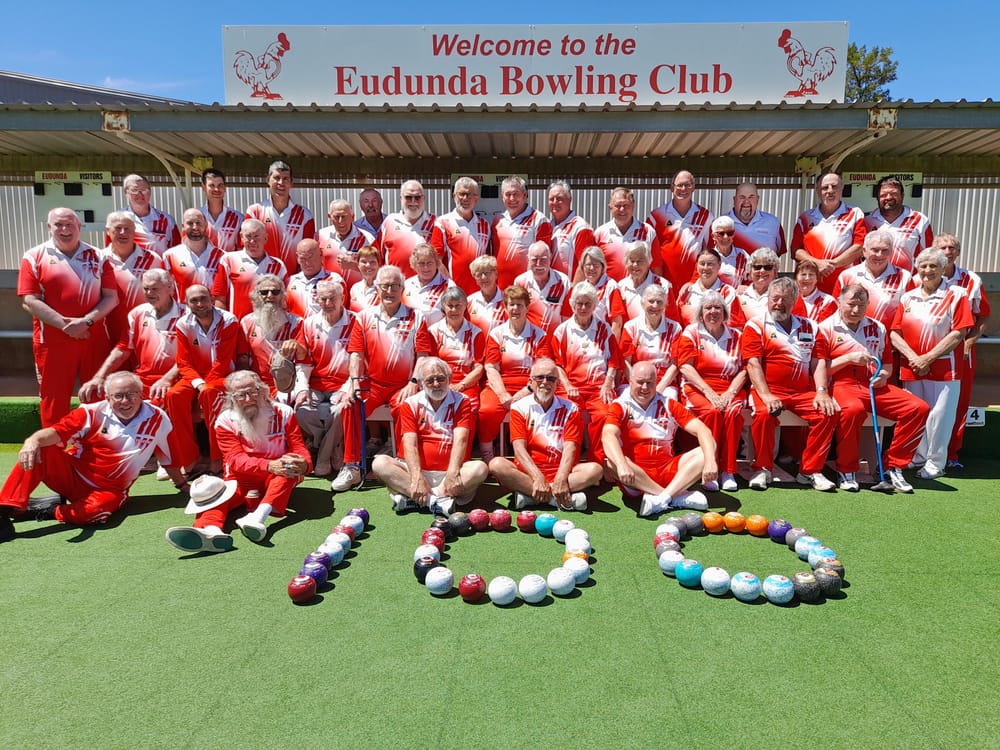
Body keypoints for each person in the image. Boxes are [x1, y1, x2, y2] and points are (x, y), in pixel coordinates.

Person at [0, 372, 180, 542]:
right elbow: (57, 432)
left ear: (141, 395)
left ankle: (50, 510)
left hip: (109, 491)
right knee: (40, 449)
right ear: (108, 398)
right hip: (73, 475)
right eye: (118, 396)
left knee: (95, 514)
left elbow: (168, 457)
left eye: (131, 394)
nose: (125, 401)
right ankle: (4, 510)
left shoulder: (158, 418)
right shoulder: (90, 412)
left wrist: (181, 485)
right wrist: (33, 440)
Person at [165, 370, 311, 551]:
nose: (249, 399)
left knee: (289, 468)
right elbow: (235, 460)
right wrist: (268, 465)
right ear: (232, 398)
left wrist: (304, 463)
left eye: (253, 392)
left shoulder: (284, 412)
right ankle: (210, 531)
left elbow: (298, 446)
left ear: (263, 391)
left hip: (276, 475)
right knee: (215, 495)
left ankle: (258, 518)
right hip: (240, 478)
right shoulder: (225, 421)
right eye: (241, 395)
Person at [332, 265, 435, 492]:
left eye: (394, 286)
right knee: (351, 404)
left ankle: (400, 465)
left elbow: (423, 357)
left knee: (405, 407)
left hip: (404, 384)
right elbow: (356, 355)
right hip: (375, 384)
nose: (389, 290)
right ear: (377, 288)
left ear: (402, 288)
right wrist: (354, 382)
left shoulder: (416, 316)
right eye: (385, 286)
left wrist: (413, 383)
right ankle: (352, 466)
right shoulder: (364, 317)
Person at [823, 284, 929, 493]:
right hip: (842, 383)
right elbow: (820, 369)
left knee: (918, 408)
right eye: (851, 304)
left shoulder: (877, 327)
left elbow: (887, 364)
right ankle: (846, 469)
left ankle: (893, 466)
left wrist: (884, 375)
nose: (855, 310)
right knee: (853, 410)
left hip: (873, 384)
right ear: (839, 302)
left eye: (861, 305)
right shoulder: (826, 327)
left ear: (868, 305)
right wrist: (848, 358)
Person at [19, 207, 118, 426]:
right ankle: (55, 458)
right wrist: (65, 325)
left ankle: (93, 453)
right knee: (54, 401)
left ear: (79, 227)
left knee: (96, 397)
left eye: (70, 224)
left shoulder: (99, 256)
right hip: (52, 342)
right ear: (49, 227)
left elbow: (111, 297)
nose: (64, 229)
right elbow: (29, 299)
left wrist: (85, 322)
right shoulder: (34, 256)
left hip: (93, 340)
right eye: (58, 225)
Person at [743, 278, 839, 491]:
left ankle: (810, 471)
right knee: (764, 414)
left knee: (828, 413)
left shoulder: (811, 326)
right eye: (775, 298)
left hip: (801, 392)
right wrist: (767, 396)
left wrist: (822, 392)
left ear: (795, 301)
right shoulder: (756, 325)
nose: (779, 303)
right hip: (767, 390)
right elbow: (753, 364)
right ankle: (762, 468)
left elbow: (819, 362)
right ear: (767, 300)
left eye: (785, 299)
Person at [890, 247, 974, 479]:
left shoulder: (957, 294)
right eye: (923, 266)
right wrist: (914, 358)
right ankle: (917, 457)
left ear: (943, 268)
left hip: (945, 368)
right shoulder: (908, 297)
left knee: (940, 416)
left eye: (933, 266)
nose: (927, 270)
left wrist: (928, 358)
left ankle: (935, 463)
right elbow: (895, 333)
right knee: (917, 413)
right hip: (913, 367)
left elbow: (959, 332)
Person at [372, 357, 489, 515]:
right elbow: (409, 444)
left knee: (480, 468)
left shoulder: (462, 402)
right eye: (430, 380)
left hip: (449, 473)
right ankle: (436, 501)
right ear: (420, 383)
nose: (436, 384)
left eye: (440, 378)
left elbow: (461, 439)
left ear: (449, 379)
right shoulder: (410, 404)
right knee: (380, 463)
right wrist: (416, 477)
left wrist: (453, 472)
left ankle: (415, 499)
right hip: (416, 471)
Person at [603, 361, 715, 516]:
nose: (645, 388)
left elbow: (703, 431)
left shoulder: (668, 404)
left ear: (656, 383)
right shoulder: (620, 405)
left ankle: (662, 498)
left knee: (707, 449)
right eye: (640, 382)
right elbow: (608, 435)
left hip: (667, 471)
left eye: (650, 383)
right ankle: (674, 497)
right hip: (635, 476)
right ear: (630, 382)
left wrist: (710, 462)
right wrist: (622, 465)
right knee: (611, 462)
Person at [489, 358, 602, 511]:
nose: (544, 382)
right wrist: (537, 478)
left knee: (595, 470)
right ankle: (557, 499)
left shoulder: (571, 408)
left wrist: (561, 479)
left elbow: (571, 448)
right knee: (497, 465)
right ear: (530, 381)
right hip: (529, 473)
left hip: (563, 472)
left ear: (558, 384)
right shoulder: (519, 407)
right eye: (539, 377)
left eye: (550, 378)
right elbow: (519, 449)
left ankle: (532, 497)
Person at [676, 291, 748, 493]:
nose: (713, 312)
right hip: (698, 386)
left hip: (730, 387)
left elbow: (745, 369)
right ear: (701, 312)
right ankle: (710, 468)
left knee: (733, 413)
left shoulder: (737, 335)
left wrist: (730, 393)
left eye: (718, 308)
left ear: (724, 312)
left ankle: (729, 470)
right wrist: (710, 393)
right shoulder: (691, 332)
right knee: (712, 413)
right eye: (708, 308)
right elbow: (686, 368)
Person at [166, 284, 240, 475]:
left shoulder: (228, 320)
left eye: (203, 298)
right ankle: (189, 458)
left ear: (211, 299)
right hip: (195, 378)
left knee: (209, 393)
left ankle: (217, 457)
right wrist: (198, 383)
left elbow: (224, 361)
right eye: (194, 300)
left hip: (223, 376)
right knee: (174, 395)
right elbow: (183, 362)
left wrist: (204, 386)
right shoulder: (183, 324)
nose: (200, 304)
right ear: (186, 303)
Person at [79, 269, 183, 405]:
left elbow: (188, 357)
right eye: (146, 288)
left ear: (170, 287)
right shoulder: (137, 313)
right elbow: (122, 350)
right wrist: (99, 378)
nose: (149, 293)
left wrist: (166, 379)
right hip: (142, 379)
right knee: (94, 396)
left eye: (155, 289)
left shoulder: (186, 316)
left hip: (175, 378)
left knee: (161, 402)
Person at [551, 281, 624, 464]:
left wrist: (607, 384)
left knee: (604, 414)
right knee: (569, 413)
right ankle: (570, 463)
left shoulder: (604, 329)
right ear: (573, 304)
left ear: (594, 305)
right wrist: (568, 385)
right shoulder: (562, 330)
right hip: (571, 387)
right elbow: (557, 365)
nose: (583, 308)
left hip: (598, 388)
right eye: (579, 303)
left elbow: (614, 361)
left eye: (587, 304)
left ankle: (597, 464)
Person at [479, 285, 553, 462]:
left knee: (540, 407)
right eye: (511, 304)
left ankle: (537, 453)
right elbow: (491, 367)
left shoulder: (539, 334)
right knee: (487, 410)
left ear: (527, 307)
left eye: (520, 305)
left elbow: (544, 369)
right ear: (505, 307)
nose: (515, 309)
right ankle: (487, 449)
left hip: (532, 385)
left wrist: (525, 391)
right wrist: (502, 394)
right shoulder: (497, 334)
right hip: (501, 385)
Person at [293, 280, 358, 476]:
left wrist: (347, 389)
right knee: (301, 411)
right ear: (317, 300)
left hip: (344, 385)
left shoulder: (356, 322)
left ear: (342, 299)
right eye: (323, 299)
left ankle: (322, 458)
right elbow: (303, 362)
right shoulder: (309, 323)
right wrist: (302, 389)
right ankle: (334, 448)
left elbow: (361, 362)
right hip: (316, 385)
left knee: (342, 411)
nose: (328, 303)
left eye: (332, 298)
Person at [938, 233, 992, 468]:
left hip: (962, 352)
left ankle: (951, 454)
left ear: (958, 252)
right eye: (943, 247)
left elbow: (983, 316)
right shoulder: (922, 275)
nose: (948, 251)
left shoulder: (971, 280)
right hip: (928, 349)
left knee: (957, 403)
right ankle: (918, 454)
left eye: (952, 247)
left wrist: (970, 341)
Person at [791, 172, 866, 294]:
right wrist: (818, 264)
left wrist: (832, 265)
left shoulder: (855, 213)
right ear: (817, 190)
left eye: (834, 186)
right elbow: (796, 250)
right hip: (811, 285)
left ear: (842, 188)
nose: (830, 191)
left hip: (845, 284)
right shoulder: (805, 217)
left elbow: (860, 247)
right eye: (825, 187)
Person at [102, 211, 165, 353]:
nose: (123, 233)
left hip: (143, 330)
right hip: (109, 332)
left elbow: (163, 296)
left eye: (127, 229)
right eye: (117, 228)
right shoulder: (99, 259)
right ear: (108, 231)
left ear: (134, 231)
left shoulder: (152, 259)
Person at [244, 160, 316, 276]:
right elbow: (244, 246)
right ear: (268, 180)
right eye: (276, 178)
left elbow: (309, 251)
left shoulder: (304, 215)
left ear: (291, 183)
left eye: (286, 179)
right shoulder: (255, 212)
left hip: (292, 279)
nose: (281, 183)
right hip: (261, 279)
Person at [832, 229, 915, 329]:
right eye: (875, 250)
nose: (879, 255)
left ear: (891, 252)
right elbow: (835, 310)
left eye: (885, 250)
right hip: (852, 339)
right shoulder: (847, 276)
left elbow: (910, 314)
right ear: (864, 251)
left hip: (887, 341)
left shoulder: (904, 277)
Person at [238, 275, 303, 398]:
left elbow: (302, 359)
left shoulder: (296, 322)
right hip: (257, 385)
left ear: (282, 295)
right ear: (256, 296)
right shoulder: (246, 322)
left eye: (275, 292)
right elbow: (243, 360)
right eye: (264, 292)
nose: (270, 295)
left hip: (288, 384)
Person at [212, 218, 287, 321]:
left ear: (265, 238)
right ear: (242, 238)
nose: (252, 241)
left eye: (256, 237)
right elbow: (219, 298)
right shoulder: (229, 260)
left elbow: (285, 299)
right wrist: (223, 325)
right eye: (248, 237)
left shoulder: (278, 265)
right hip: (239, 327)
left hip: (270, 327)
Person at [648, 170, 714, 286]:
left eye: (688, 185)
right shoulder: (656, 215)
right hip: (662, 284)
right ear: (672, 188)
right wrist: (656, 280)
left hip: (694, 285)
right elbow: (648, 250)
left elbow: (710, 251)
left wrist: (695, 281)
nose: (683, 189)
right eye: (679, 185)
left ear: (693, 188)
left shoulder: (706, 216)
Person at [428, 287, 485, 414]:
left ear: (465, 306)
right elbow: (430, 364)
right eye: (450, 306)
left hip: (466, 385)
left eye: (458, 305)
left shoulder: (476, 333)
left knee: (468, 408)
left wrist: (461, 385)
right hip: (438, 383)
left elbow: (479, 368)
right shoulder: (433, 331)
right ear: (443, 307)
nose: (454, 310)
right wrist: (443, 385)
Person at [430, 176, 491, 295]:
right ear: (454, 196)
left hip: (479, 293)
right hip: (453, 292)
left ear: (476, 198)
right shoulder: (443, 222)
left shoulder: (484, 225)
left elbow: (487, 260)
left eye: (470, 195)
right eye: (461, 194)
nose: (465, 198)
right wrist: (448, 286)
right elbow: (436, 258)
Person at [620, 284, 682, 396]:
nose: (655, 306)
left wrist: (658, 389)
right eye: (651, 301)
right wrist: (637, 385)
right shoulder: (630, 327)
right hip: (635, 381)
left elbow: (675, 364)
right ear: (642, 304)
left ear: (665, 305)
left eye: (659, 302)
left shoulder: (675, 328)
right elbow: (625, 361)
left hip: (664, 383)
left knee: (669, 403)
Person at [863, 175, 934, 273]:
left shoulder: (920, 220)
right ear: (877, 198)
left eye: (893, 193)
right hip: (873, 282)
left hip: (907, 284)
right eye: (883, 195)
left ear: (902, 196)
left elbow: (929, 254)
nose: (888, 197)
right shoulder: (867, 221)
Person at [492, 175, 553, 289]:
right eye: (508, 194)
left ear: (524, 195)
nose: (512, 199)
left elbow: (545, 258)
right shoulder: (497, 220)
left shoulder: (539, 219)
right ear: (502, 197)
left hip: (527, 287)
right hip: (500, 286)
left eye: (516, 194)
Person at [593, 186, 659, 282]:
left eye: (626, 205)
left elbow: (656, 267)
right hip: (610, 293)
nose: (622, 209)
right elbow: (593, 267)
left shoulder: (648, 231)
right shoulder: (600, 233)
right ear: (610, 207)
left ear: (633, 206)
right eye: (618, 206)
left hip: (640, 293)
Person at [163, 208, 225, 305]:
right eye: (190, 223)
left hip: (213, 316)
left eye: (198, 223)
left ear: (205, 225)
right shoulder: (170, 256)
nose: (195, 227)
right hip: (183, 316)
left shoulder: (222, 257)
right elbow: (166, 291)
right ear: (183, 226)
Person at [375, 180, 436, 275]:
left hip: (426, 287)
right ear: (401, 198)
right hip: (394, 286)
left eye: (417, 197)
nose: (413, 202)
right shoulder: (389, 221)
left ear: (423, 198)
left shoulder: (435, 223)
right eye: (408, 197)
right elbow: (378, 256)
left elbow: (442, 259)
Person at [675, 248, 745, 328]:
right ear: (696, 265)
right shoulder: (686, 292)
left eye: (710, 264)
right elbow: (677, 325)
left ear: (719, 266)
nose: (705, 268)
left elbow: (736, 327)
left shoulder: (728, 292)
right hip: (690, 339)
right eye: (702, 263)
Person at [113, 174, 180, 255]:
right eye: (135, 190)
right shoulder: (116, 221)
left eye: (144, 190)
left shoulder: (167, 220)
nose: (140, 195)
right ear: (126, 193)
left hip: (159, 267)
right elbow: (111, 254)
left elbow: (177, 252)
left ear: (150, 192)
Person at [514, 240, 571, 334]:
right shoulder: (520, 282)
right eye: (534, 259)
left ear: (550, 258)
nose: (538, 264)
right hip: (529, 340)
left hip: (554, 340)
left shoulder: (563, 281)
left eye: (543, 259)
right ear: (528, 259)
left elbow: (567, 317)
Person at [317, 199, 374, 289]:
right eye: (336, 217)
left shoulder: (367, 239)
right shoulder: (320, 236)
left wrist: (354, 265)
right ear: (329, 217)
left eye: (344, 217)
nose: (340, 221)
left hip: (358, 294)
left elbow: (378, 269)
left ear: (352, 217)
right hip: (329, 296)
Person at [617, 241, 678, 323]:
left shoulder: (663, 285)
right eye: (632, 260)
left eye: (640, 261)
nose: (635, 265)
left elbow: (672, 320)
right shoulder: (621, 286)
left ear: (649, 262)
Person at [286, 238, 346, 319]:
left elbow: (340, 312)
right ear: (297, 257)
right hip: (297, 330)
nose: (307, 263)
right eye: (303, 258)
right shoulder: (290, 282)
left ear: (321, 254)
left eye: (310, 257)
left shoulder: (334, 280)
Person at [547, 180, 595, 280]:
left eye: (559, 199)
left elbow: (586, 265)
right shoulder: (546, 226)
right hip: (550, 291)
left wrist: (573, 292)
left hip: (570, 291)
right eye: (551, 199)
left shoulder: (580, 227)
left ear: (569, 200)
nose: (555, 202)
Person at [726, 181, 787, 257]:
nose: (746, 201)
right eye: (742, 197)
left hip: (762, 269)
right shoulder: (722, 222)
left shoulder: (773, 222)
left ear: (757, 199)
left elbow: (779, 252)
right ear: (734, 200)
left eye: (751, 197)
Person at [577, 245, 626, 338]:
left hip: (603, 341)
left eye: (596, 265)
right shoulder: (581, 287)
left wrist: (612, 349)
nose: (591, 268)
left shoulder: (611, 286)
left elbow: (617, 323)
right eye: (588, 265)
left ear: (602, 266)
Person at [402, 243, 453, 326]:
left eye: (429, 263)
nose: (426, 267)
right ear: (414, 265)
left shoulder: (449, 287)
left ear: (436, 263)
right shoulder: (406, 285)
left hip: (435, 336)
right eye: (421, 263)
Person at [199, 168, 244, 253]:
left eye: (220, 185)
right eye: (212, 185)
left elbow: (241, 251)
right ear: (203, 187)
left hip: (228, 266)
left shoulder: (238, 218)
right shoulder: (196, 217)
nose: (216, 189)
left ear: (225, 188)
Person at [466, 255, 508, 334]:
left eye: (487, 273)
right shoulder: (469, 301)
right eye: (479, 274)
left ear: (496, 274)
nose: (483, 277)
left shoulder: (507, 300)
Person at [737, 247, 780, 323]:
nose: (762, 271)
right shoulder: (740, 296)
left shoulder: (783, 296)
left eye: (768, 267)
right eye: (757, 267)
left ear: (775, 272)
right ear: (750, 271)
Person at [710, 215, 751, 288]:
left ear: (733, 235)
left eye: (729, 233)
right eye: (721, 234)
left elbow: (750, 279)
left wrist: (745, 287)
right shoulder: (708, 256)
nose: (725, 237)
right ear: (713, 236)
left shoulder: (743, 255)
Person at [348, 245, 381, 313]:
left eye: (372, 262)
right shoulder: (355, 288)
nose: (368, 265)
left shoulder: (384, 288)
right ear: (358, 264)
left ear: (378, 264)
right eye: (364, 262)